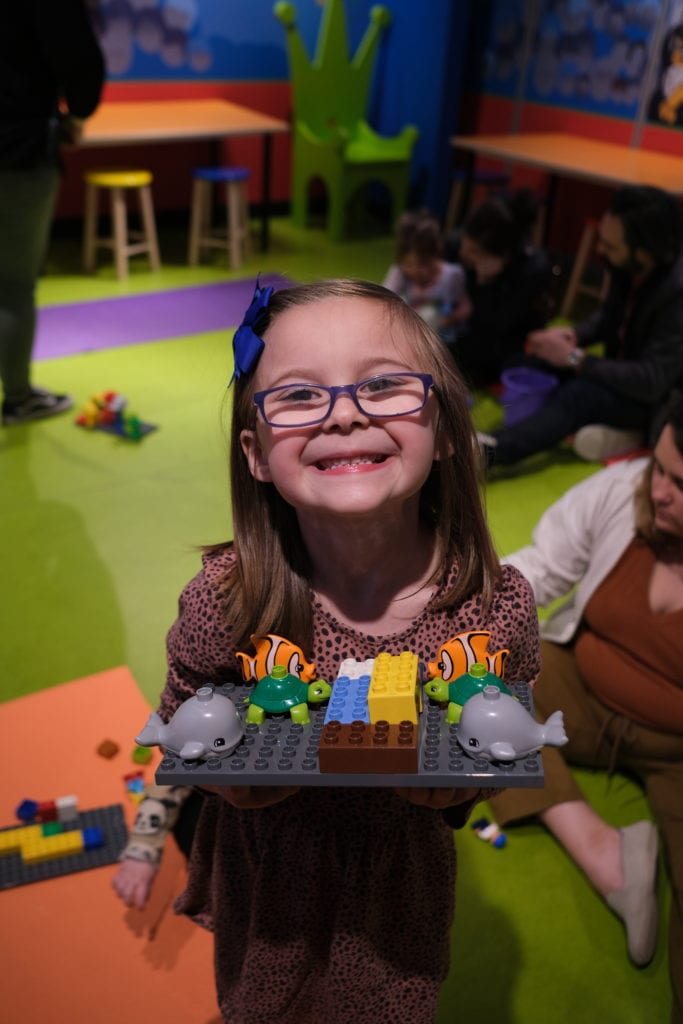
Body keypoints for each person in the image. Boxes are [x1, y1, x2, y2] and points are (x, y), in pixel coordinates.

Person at [113, 278, 540, 1024]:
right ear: (255, 454)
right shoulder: (225, 600)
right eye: (300, 395)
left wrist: (463, 792)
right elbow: (183, 713)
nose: (345, 413)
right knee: (262, 1004)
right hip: (268, 872)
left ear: (442, 429)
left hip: (396, 884)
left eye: (382, 384)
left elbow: (503, 735)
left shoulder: (493, 607)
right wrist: (223, 782)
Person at [488, 391, 683, 1024]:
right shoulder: (624, 490)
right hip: (581, 688)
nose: (660, 493)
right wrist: (452, 605)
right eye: (662, 469)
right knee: (455, 682)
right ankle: (603, 850)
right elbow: (540, 569)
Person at [479, 185, 683, 468]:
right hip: (619, 373)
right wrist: (572, 336)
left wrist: (574, 358)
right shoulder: (630, 267)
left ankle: (491, 451)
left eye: (610, 246)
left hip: (653, 399)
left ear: (646, 253)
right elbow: (609, 317)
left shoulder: (676, 294)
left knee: (580, 394)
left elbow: (652, 381)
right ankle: (592, 429)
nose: (599, 250)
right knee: (528, 363)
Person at [0, 1, 105, 426]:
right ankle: (19, 398)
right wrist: (77, 113)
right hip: (17, 149)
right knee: (12, 285)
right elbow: (79, 61)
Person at [450, 188, 553, 388]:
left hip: (507, 339)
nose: (463, 252)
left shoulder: (533, 269)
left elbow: (497, 324)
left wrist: (484, 281)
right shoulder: (458, 244)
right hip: (465, 327)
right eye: (465, 242)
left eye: (473, 251)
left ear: (502, 256)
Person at [382, 209, 472, 346]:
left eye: (423, 264)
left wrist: (447, 319)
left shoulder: (450, 276)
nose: (416, 270)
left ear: (436, 256)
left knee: (429, 314)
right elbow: (383, 300)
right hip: (407, 334)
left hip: (440, 340)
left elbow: (463, 308)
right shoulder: (400, 273)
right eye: (409, 264)